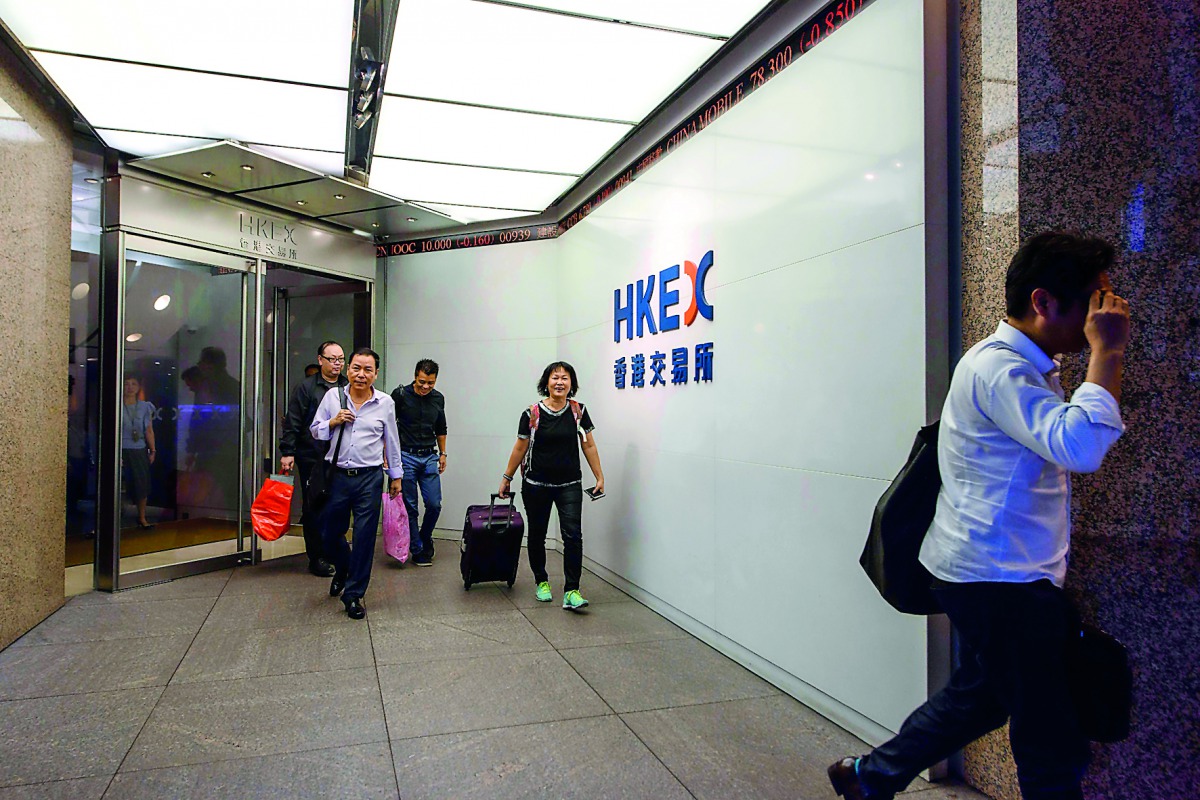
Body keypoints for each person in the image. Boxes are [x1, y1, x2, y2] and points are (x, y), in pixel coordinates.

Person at [828, 232, 1131, 800]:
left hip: (994, 571)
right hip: (999, 577)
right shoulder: (1002, 370)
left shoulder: (1024, 366)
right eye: (1095, 303)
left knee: (982, 697)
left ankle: (871, 776)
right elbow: (1080, 446)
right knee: (1051, 735)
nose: (1105, 316)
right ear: (1043, 303)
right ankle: (872, 776)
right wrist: (1107, 353)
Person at [498, 361, 605, 611]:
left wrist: (599, 476)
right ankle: (541, 581)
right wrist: (507, 476)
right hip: (536, 484)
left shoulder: (579, 411)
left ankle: (572, 590)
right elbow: (520, 446)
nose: (560, 382)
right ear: (546, 382)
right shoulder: (532, 413)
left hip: (570, 484)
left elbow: (588, 445)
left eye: (565, 378)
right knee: (537, 534)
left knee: (573, 536)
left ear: (572, 383)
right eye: (555, 377)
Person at [310, 347, 403, 620]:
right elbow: (315, 429)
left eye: (367, 370)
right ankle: (342, 567)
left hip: (370, 479)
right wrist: (333, 421)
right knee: (328, 534)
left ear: (376, 374)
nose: (361, 375)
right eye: (356, 368)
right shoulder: (333, 397)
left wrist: (396, 476)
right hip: (337, 477)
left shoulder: (385, 403)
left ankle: (353, 594)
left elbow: (392, 441)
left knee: (363, 537)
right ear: (348, 369)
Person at [280, 341, 348, 577]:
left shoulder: (347, 386)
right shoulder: (307, 387)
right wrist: (287, 451)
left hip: (340, 456)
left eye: (341, 359)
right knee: (314, 506)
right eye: (332, 359)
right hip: (311, 455)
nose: (337, 364)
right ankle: (316, 556)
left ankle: (332, 550)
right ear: (320, 360)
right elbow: (294, 421)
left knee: (337, 505)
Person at [390, 358, 448, 566]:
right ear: (415, 376)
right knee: (410, 506)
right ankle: (418, 549)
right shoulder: (401, 395)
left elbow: (441, 427)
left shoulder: (438, 398)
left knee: (434, 503)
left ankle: (424, 537)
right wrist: (390, 458)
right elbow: (388, 426)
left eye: (430, 383)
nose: (425, 387)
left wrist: (443, 453)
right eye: (422, 382)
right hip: (406, 455)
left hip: (429, 455)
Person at [121, 374, 157, 529]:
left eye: (133, 384)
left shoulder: (145, 406)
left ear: (138, 387)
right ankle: (111, 518)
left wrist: (153, 450)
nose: (130, 387)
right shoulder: (116, 404)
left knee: (141, 484)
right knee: (116, 485)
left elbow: (149, 430)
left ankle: (142, 518)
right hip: (120, 448)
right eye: (126, 384)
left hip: (139, 449)